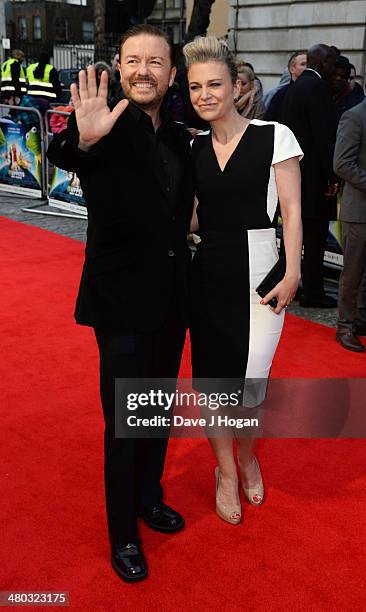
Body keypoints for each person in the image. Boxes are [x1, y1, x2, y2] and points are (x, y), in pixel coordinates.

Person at [47, 24, 194, 583]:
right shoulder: (101, 124)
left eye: (156, 62)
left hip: (171, 302)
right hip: (119, 303)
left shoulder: (182, 137)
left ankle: (149, 497)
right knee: (125, 422)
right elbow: (65, 153)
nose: (143, 70)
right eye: (133, 60)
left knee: (157, 409)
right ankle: (123, 534)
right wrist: (82, 140)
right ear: (118, 64)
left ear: (171, 74)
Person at [183, 37, 302, 524]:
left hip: (261, 271)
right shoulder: (192, 147)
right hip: (207, 271)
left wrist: (293, 271)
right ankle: (226, 472)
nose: (205, 94)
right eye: (195, 87)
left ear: (237, 86)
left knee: (253, 383)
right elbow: (191, 219)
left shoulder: (276, 135)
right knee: (212, 383)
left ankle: (248, 456)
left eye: (214, 84)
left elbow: (293, 212)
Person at [281, 44, 339, 308]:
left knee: (294, 233)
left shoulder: (295, 87)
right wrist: (331, 176)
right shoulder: (316, 88)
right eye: (333, 64)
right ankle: (312, 292)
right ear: (324, 63)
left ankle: (288, 283)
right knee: (314, 238)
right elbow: (324, 137)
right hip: (314, 179)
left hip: (296, 174)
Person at [334, 99, 366, 352]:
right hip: (358, 211)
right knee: (353, 272)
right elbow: (342, 163)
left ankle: (361, 319)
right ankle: (345, 325)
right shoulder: (354, 116)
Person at [265, 52, 307, 121]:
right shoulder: (281, 94)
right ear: (292, 69)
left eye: (309, 64)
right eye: (303, 64)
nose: (307, 68)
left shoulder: (314, 91)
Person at [331, 56, 365, 123]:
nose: (338, 78)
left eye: (343, 76)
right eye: (334, 75)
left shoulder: (358, 102)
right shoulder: (320, 95)